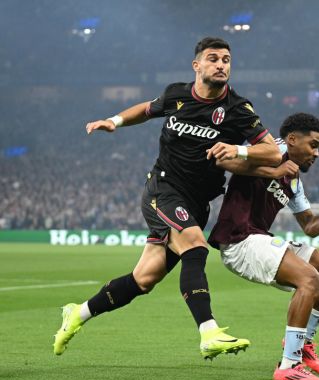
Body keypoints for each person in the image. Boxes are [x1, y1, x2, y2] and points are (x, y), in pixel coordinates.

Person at [53, 37, 282, 360]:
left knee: (144, 279)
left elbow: (272, 152)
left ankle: (78, 313)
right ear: (197, 65)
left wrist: (239, 149)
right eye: (213, 58)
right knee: (195, 246)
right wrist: (114, 121)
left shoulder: (238, 110)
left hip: (197, 203)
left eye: (226, 60)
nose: (221, 65)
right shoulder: (176, 94)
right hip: (163, 189)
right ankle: (209, 331)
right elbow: (146, 110)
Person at [208, 113, 319, 380]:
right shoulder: (269, 151)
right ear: (292, 139)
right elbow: (224, 159)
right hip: (239, 240)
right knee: (309, 278)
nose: (317, 153)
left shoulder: (295, 179)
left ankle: (305, 342)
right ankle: (289, 364)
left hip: (260, 238)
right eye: (313, 144)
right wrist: (274, 170)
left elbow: (309, 225)